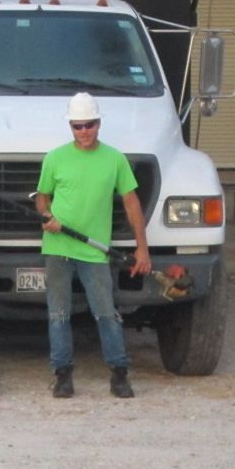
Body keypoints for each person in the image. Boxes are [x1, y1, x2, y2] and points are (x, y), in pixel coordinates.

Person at [36, 93, 151, 399]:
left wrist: (143, 248)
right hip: (58, 248)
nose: (83, 131)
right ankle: (62, 375)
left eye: (88, 125)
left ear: (99, 124)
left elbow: (131, 202)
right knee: (58, 315)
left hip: (95, 251)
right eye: (77, 126)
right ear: (70, 127)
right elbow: (42, 196)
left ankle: (119, 373)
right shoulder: (55, 158)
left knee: (106, 313)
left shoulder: (114, 159)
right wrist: (47, 216)